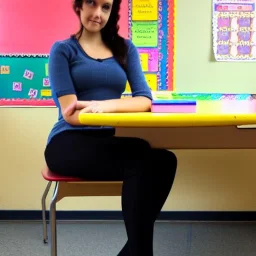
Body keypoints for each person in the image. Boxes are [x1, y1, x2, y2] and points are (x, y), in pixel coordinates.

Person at [44, 0, 177, 255]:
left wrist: (102, 106)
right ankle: (139, 251)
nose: (97, 14)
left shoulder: (125, 48)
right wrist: (101, 107)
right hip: (67, 142)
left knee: (165, 160)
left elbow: (144, 99)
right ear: (79, 6)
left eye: (105, 7)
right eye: (91, 4)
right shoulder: (63, 50)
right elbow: (71, 113)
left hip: (107, 136)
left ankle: (134, 250)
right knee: (142, 163)